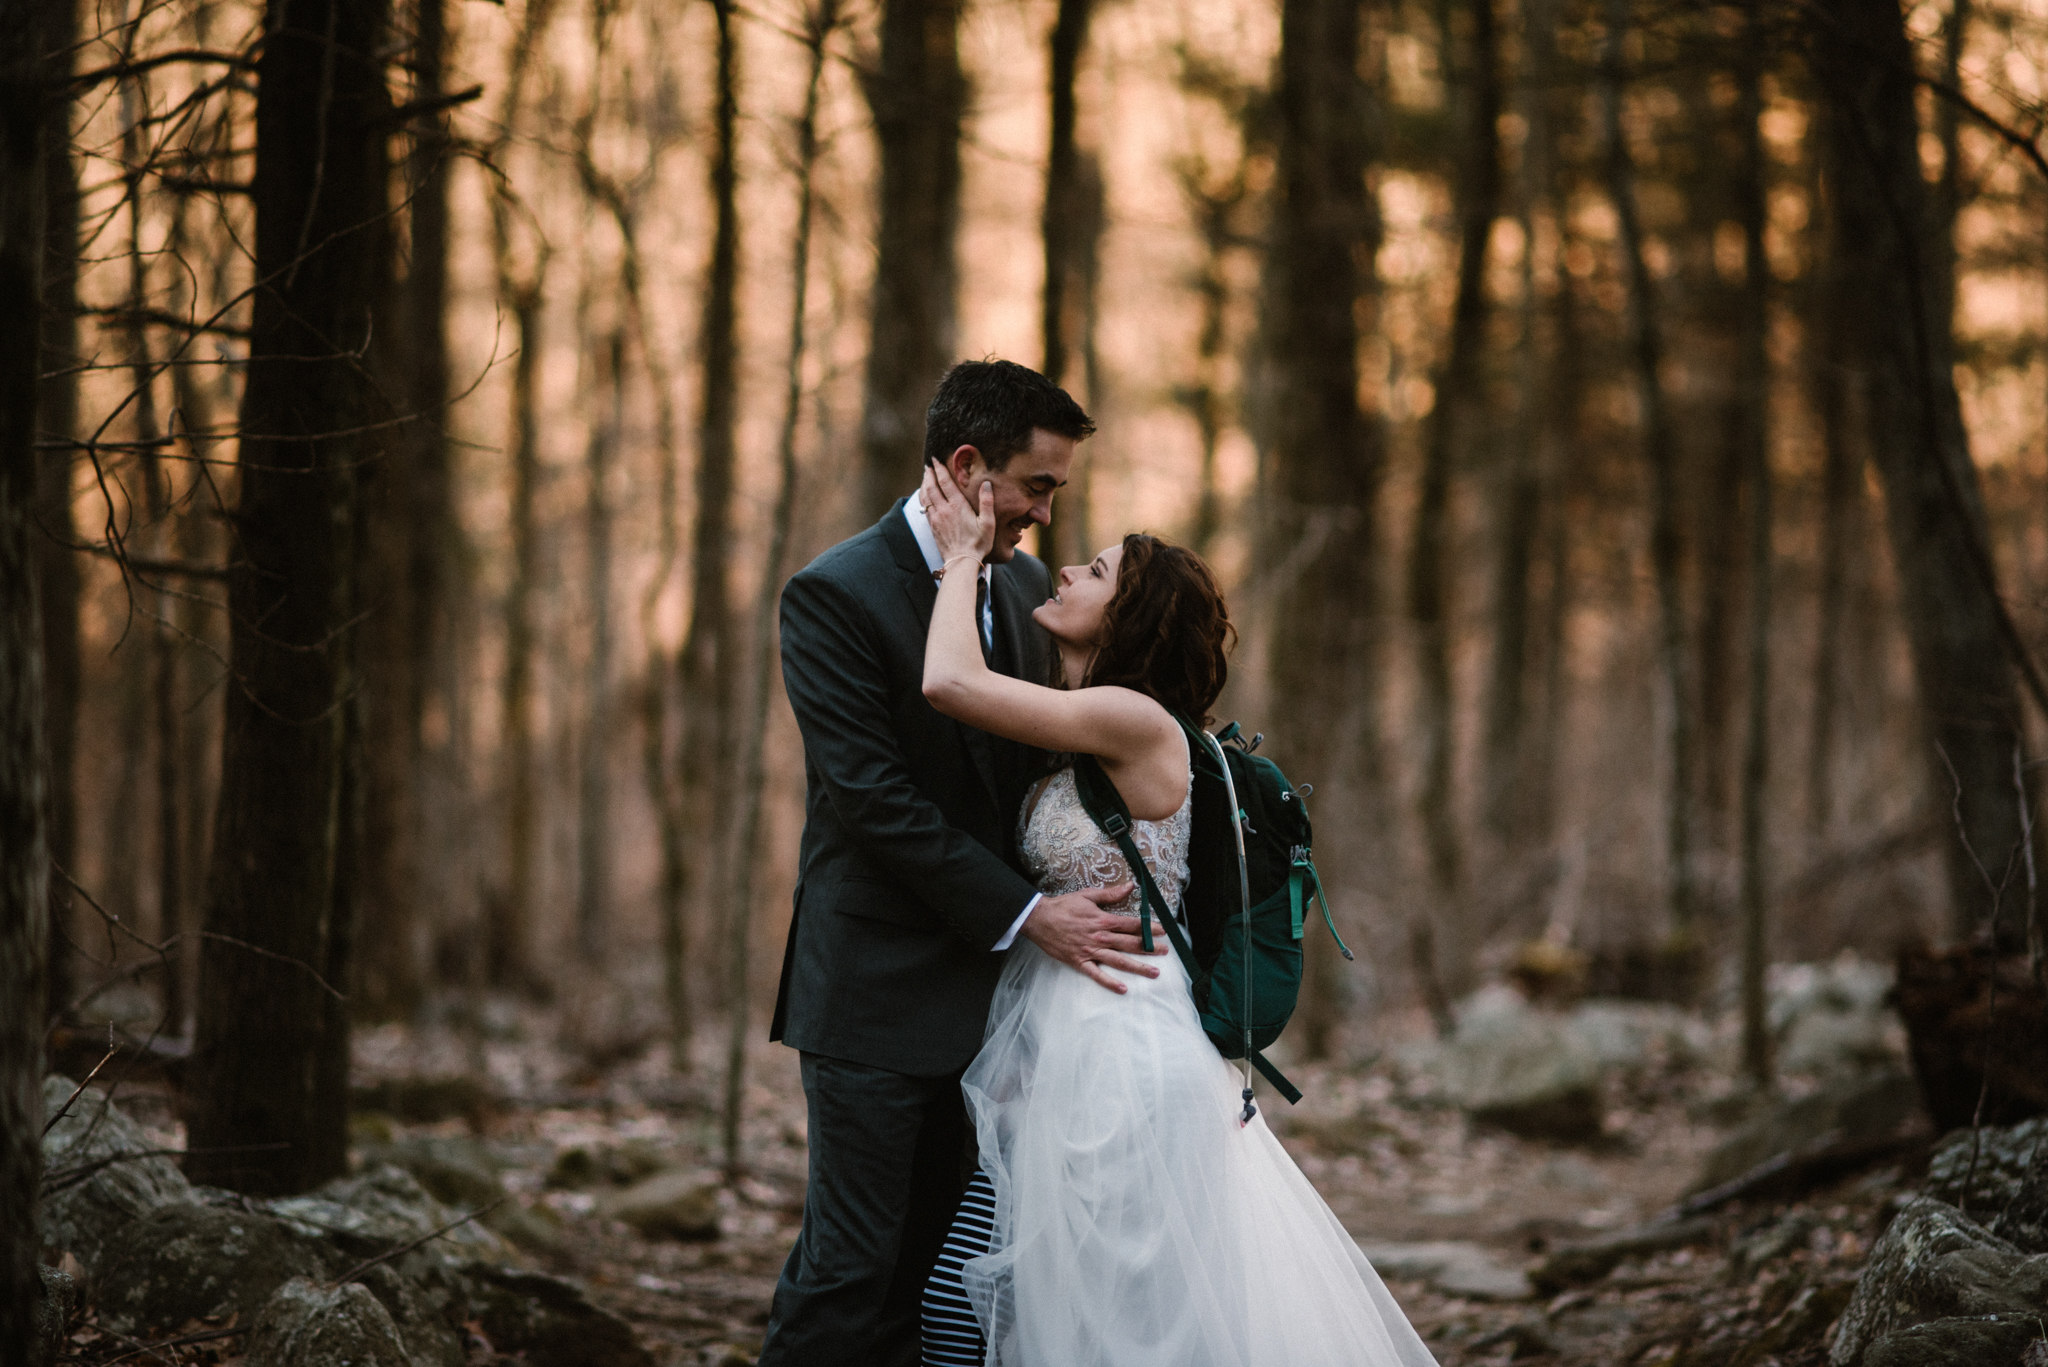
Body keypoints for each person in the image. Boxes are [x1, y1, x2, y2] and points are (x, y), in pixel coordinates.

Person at [913, 466, 1442, 1367]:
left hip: (1120, 1065)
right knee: (1023, 1317)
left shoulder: (1132, 717)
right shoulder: (1091, 720)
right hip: (1075, 1053)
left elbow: (950, 683)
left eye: (1095, 571)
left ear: (1130, 621)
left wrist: (963, 558)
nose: (1066, 573)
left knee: (1090, 1328)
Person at [759, 360, 1167, 1367]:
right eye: (1037, 485)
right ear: (969, 467)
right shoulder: (834, 593)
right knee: (850, 1267)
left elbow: (1034, 771)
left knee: (938, 1276)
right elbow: (873, 803)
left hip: (996, 1011)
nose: (1044, 510)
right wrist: (1032, 914)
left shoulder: (1025, 584)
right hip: (875, 990)